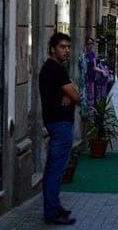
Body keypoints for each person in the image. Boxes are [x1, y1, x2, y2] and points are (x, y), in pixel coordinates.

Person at [39, 32, 80, 225]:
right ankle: (52, 212)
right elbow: (77, 95)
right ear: (53, 49)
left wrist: (69, 94)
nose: (67, 51)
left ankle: (54, 206)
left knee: (53, 169)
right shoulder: (55, 70)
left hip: (56, 122)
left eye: (68, 47)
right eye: (62, 47)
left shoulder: (54, 69)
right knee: (56, 169)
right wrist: (69, 93)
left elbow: (73, 92)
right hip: (60, 124)